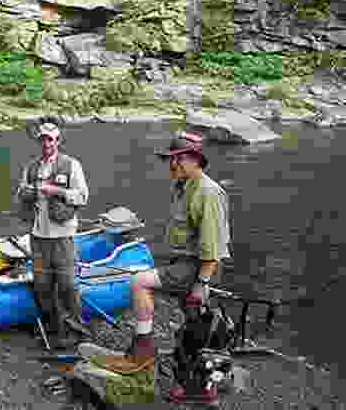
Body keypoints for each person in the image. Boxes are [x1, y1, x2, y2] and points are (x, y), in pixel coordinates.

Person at [96, 130, 231, 406]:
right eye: (171, 158)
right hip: (184, 265)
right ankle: (196, 387)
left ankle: (144, 349)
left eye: (178, 159)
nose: (172, 164)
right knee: (194, 329)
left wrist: (202, 284)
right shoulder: (183, 187)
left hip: (198, 268)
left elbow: (214, 247)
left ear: (195, 159)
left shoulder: (208, 192)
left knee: (140, 282)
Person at [16, 117, 90, 349]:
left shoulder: (72, 165)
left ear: (58, 140)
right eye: (43, 139)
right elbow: (20, 193)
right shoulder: (30, 167)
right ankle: (53, 328)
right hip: (38, 236)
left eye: (50, 139)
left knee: (67, 285)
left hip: (62, 236)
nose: (46, 143)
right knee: (43, 286)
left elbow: (82, 196)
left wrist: (55, 190)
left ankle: (76, 331)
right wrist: (26, 192)